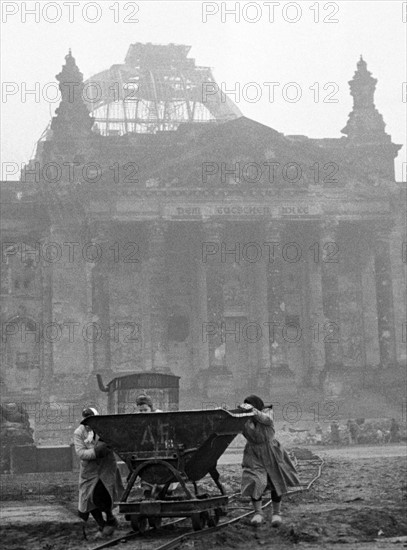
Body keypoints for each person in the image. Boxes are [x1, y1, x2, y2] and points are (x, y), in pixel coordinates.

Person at [239, 395, 300, 527]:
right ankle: (258, 513)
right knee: (255, 480)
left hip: (271, 451)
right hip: (253, 453)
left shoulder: (267, 415)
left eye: (251, 406)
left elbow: (264, 418)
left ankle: (276, 513)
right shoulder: (244, 420)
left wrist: (252, 410)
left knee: (275, 481)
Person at [73, 407, 124, 539]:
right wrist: (96, 452)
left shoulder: (105, 429)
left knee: (106, 493)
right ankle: (101, 524)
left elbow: (115, 442)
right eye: (87, 421)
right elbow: (80, 453)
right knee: (89, 497)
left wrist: (107, 446)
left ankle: (110, 517)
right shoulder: (79, 433)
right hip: (89, 471)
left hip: (106, 468)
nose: (90, 424)